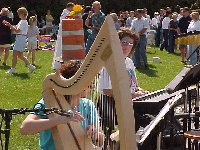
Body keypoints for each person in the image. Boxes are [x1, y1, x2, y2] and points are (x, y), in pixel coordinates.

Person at [20, 60, 104, 150]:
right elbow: (25, 128)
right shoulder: (48, 102)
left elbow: (100, 141)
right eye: (89, 85)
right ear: (75, 85)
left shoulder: (88, 105)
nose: (90, 88)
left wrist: (96, 134)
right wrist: (59, 120)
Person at [3, 7, 36, 73]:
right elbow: (16, 27)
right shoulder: (21, 21)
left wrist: (10, 25)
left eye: (19, 13)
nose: (18, 15)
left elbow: (17, 30)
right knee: (20, 55)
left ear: (23, 14)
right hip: (20, 38)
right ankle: (31, 66)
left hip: (21, 39)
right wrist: (9, 25)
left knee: (15, 54)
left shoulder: (24, 22)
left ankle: (13, 69)